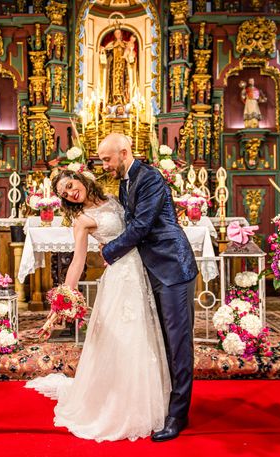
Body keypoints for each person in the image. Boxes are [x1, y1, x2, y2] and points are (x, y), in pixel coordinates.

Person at [25, 166, 171, 442]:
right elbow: (77, 261)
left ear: (80, 178)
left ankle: (148, 399)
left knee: (146, 336)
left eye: (69, 185)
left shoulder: (115, 199)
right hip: (119, 279)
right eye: (63, 194)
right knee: (124, 339)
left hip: (142, 270)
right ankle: (119, 406)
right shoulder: (82, 220)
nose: (70, 193)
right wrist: (60, 306)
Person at [99, 133, 198, 441]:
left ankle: (178, 417)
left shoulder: (150, 178)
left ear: (125, 152)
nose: (104, 165)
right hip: (151, 267)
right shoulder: (125, 181)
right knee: (162, 341)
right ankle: (166, 403)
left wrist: (109, 251)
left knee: (178, 343)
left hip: (172, 267)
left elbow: (142, 226)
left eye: (107, 159)